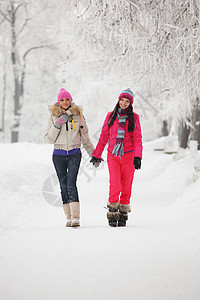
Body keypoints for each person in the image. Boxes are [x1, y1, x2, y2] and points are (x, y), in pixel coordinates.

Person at [90, 89, 143, 227]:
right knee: (115, 184)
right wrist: (96, 154)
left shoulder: (135, 117)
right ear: (118, 101)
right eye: (122, 100)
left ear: (130, 103)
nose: (124, 103)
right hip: (113, 155)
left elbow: (138, 138)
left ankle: (123, 213)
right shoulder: (110, 116)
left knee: (126, 185)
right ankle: (112, 212)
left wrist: (138, 156)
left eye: (127, 101)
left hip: (129, 155)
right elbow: (103, 137)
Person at [44, 88, 96, 227]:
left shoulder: (78, 115)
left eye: (67, 99)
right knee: (62, 185)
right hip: (58, 155)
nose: (65, 102)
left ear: (71, 100)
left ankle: (76, 217)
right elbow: (48, 139)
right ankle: (68, 216)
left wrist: (94, 154)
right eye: (62, 100)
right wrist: (58, 124)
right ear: (58, 101)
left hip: (74, 153)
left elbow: (85, 137)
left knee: (71, 184)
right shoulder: (53, 116)